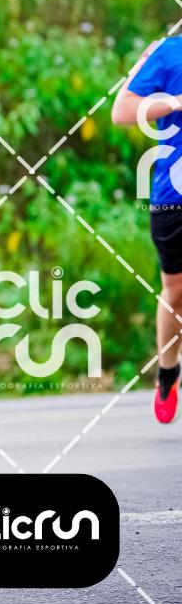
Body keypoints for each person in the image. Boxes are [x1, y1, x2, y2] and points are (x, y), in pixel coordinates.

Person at [111, 35, 182, 423]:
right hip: (174, 193)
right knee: (176, 292)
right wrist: (175, 102)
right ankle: (168, 370)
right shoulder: (169, 52)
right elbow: (122, 110)